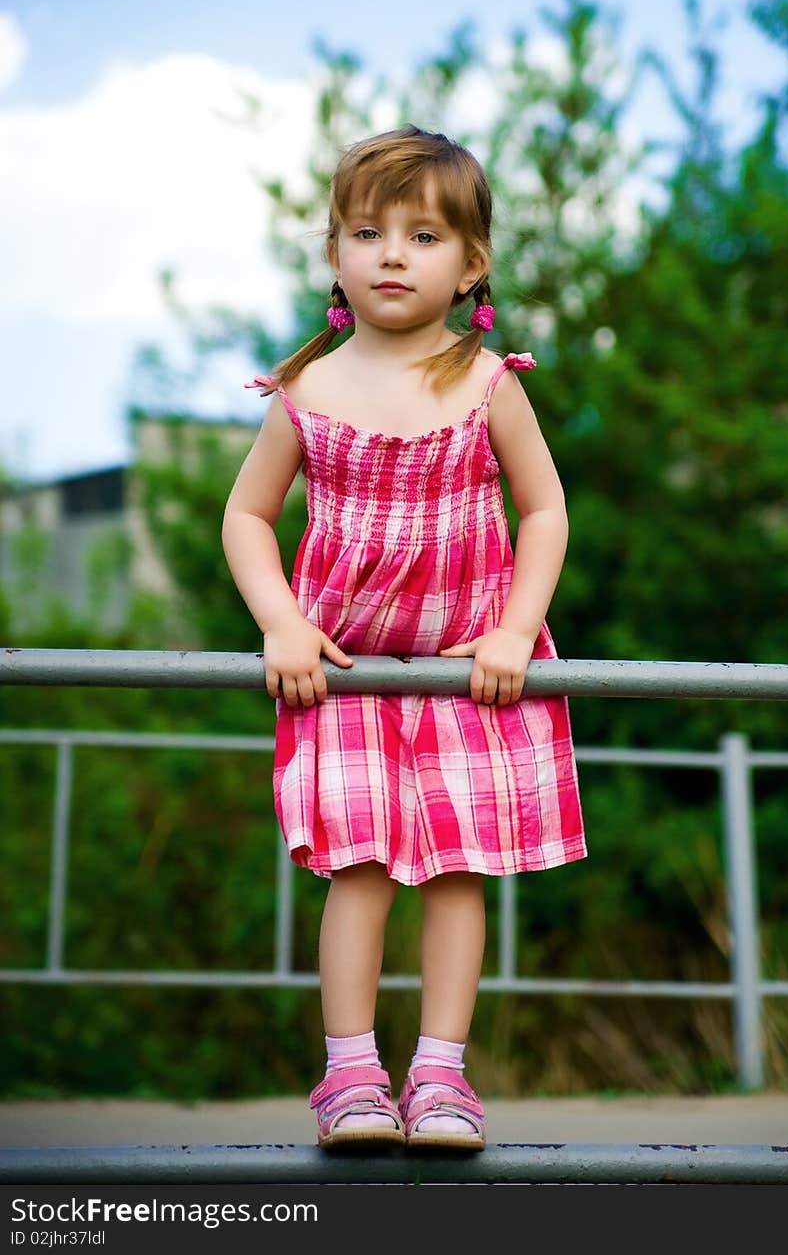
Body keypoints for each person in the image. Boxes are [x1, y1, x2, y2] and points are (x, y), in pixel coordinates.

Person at [223, 124, 587, 1151]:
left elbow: (545, 510)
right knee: (362, 866)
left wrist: (516, 629)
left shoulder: (486, 384)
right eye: (367, 230)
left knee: (458, 866)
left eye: (422, 235)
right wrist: (282, 620)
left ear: (470, 265)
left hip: (471, 668)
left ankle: (440, 1080)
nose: (391, 252)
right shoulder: (308, 391)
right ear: (335, 252)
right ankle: (350, 1078)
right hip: (342, 674)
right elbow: (247, 517)